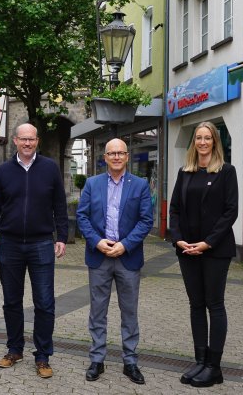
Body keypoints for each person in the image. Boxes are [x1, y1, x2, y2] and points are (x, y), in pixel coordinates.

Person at [0, 123, 68, 378]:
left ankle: (42, 356)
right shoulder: (4, 171)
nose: (28, 143)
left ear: (37, 141)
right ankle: (14, 349)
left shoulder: (50, 168)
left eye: (32, 139)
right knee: (12, 302)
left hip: (42, 243)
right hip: (8, 244)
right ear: (15, 141)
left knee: (44, 303)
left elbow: (60, 205)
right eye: (23, 139)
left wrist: (61, 236)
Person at [76, 138, 153, 384]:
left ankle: (130, 361)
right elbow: (82, 216)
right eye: (112, 153)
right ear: (105, 158)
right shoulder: (92, 183)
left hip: (127, 257)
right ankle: (97, 359)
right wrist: (97, 241)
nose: (117, 157)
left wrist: (125, 244)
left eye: (121, 153)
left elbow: (145, 220)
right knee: (97, 311)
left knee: (129, 311)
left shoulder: (140, 185)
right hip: (99, 256)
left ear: (127, 156)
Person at [168, 121, 238, 388]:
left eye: (207, 137)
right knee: (196, 305)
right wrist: (178, 239)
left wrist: (207, 243)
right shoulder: (185, 172)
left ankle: (214, 367)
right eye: (198, 137)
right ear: (193, 142)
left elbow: (230, 212)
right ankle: (200, 359)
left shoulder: (226, 172)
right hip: (187, 249)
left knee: (214, 304)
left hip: (214, 250)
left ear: (215, 142)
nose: (203, 142)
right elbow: (174, 209)